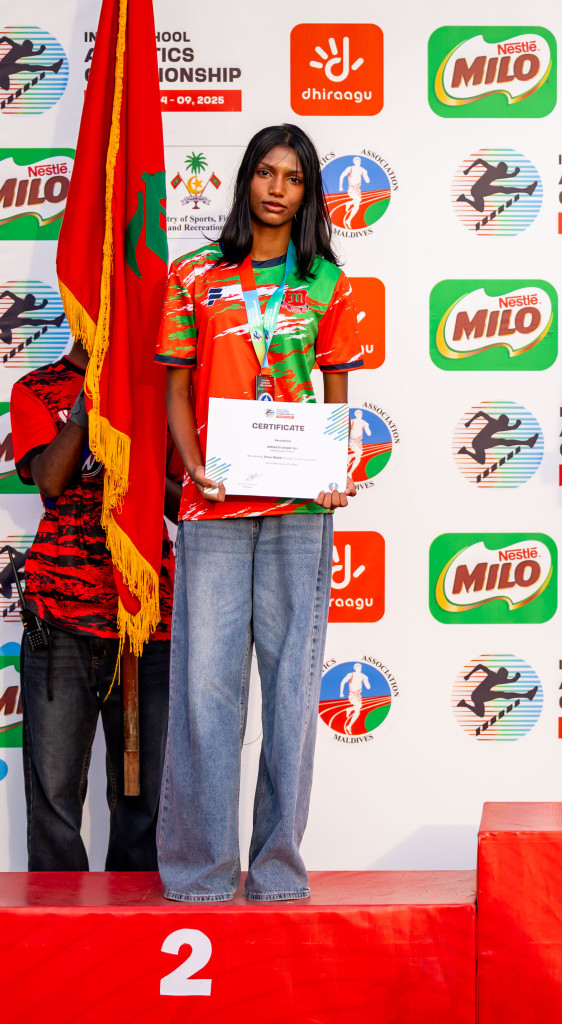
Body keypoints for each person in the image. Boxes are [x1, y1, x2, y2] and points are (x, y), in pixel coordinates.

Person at [154, 123, 362, 902]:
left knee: (289, 689)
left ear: (308, 192)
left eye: (294, 177)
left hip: (299, 502)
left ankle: (277, 869)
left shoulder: (327, 282)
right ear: (245, 181)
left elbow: (334, 386)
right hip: (213, 503)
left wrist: (335, 464)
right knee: (206, 691)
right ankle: (201, 872)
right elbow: (177, 384)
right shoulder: (195, 276)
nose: (277, 188)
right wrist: (193, 464)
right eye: (265, 173)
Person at [11, 340, 177, 870]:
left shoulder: (160, 388)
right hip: (57, 621)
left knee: (143, 796)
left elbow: (179, 498)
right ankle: (59, 938)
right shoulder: (36, 389)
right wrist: (87, 409)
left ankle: (135, 931)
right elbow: (50, 479)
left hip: (147, 618)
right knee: (55, 796)